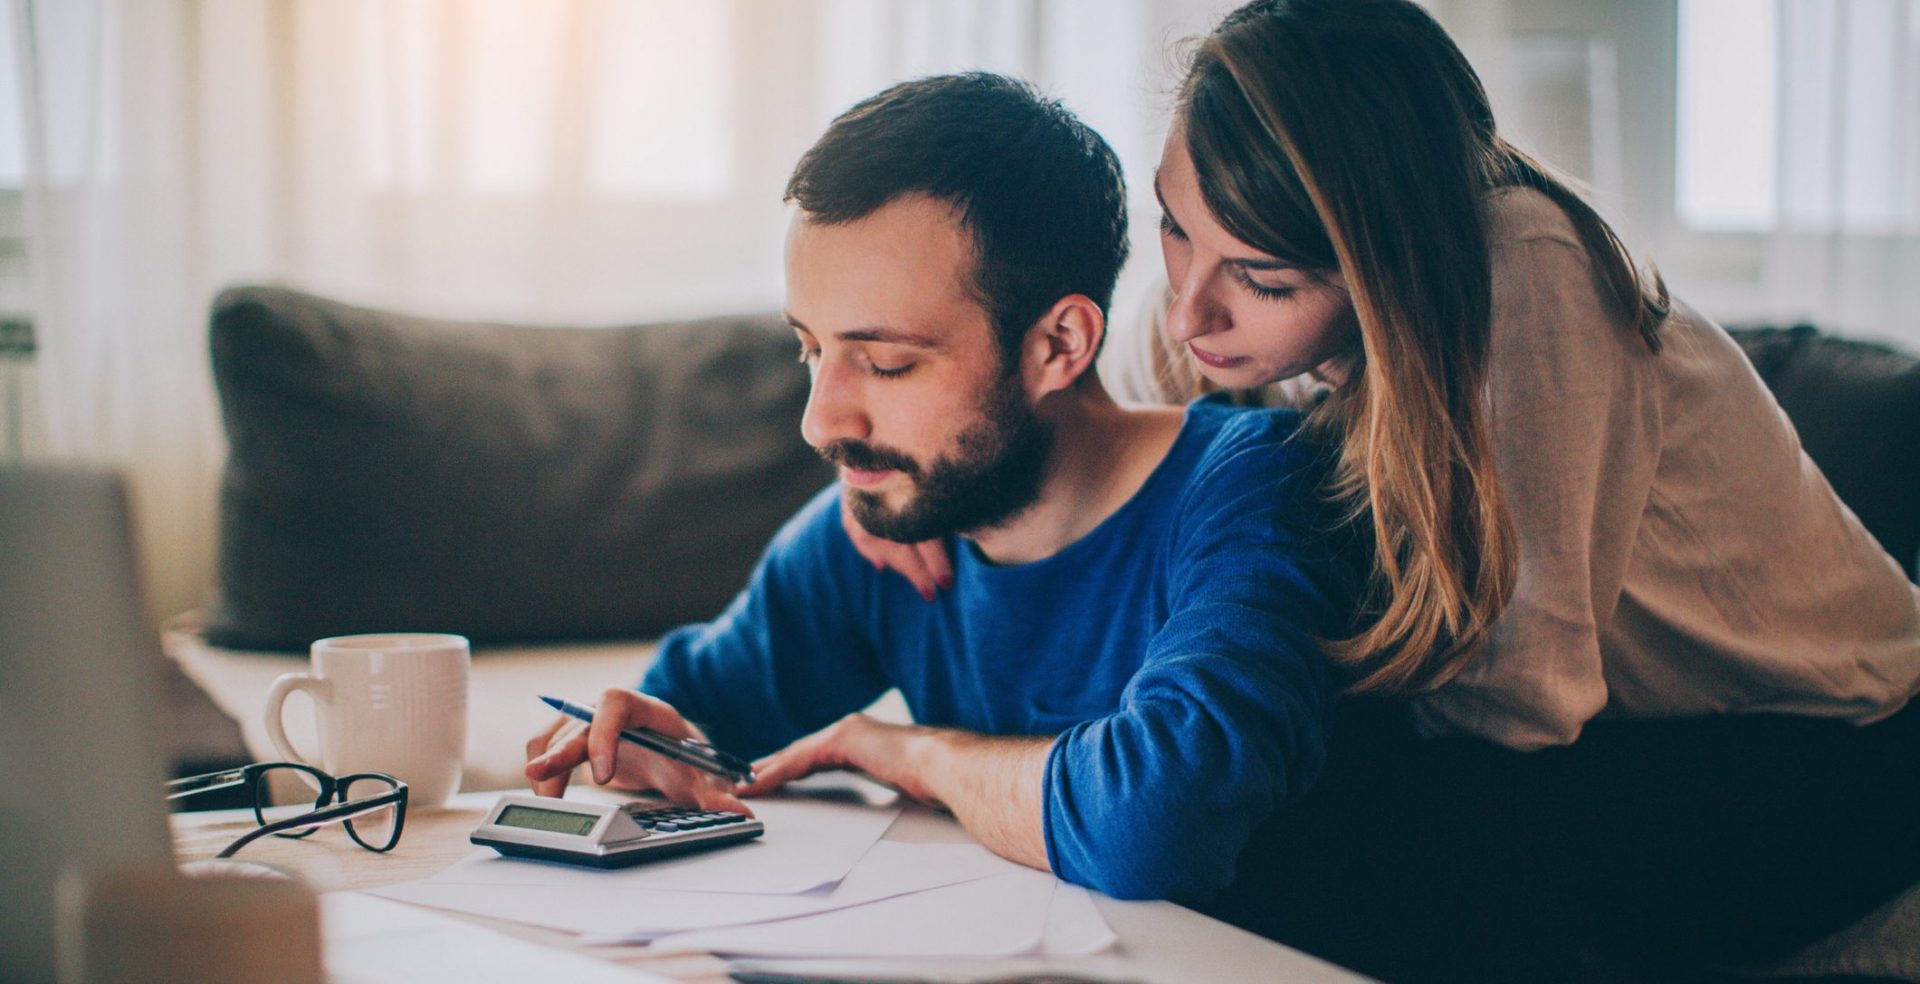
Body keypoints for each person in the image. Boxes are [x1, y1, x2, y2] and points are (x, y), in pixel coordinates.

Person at [846, 3, 1920, 980]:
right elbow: (1073, 426)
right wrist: (897, 479)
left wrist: (1210, 706)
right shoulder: (1216, 288)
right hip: (1599, 730)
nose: (1190, 313)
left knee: (1351, 825)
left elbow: (1527, 697)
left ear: (1386, 264)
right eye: (1177, 227)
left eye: (1264, 281)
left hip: (1829, 737)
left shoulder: (1525, 275)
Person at [524, 72, 1364, 907]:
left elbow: (1160, 824)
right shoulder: (889, 525)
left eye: (887, 362)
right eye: (810, 349)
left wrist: (913, 753)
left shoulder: (1258, 488)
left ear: (1058, 345)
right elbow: (699, 715)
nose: (821, 423)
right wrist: (646, 738)